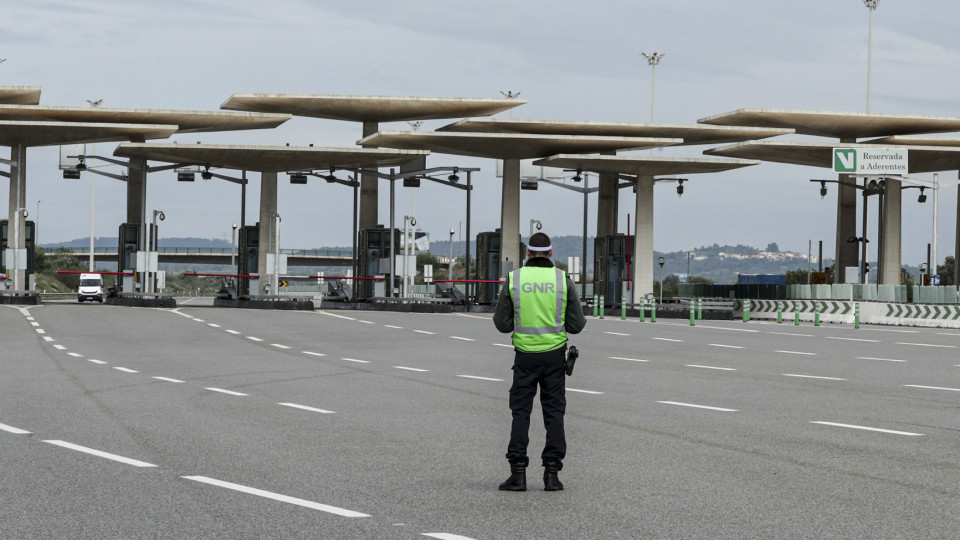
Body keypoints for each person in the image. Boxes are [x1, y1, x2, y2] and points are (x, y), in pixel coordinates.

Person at [493, 231, 586, 491]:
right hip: (555, 357)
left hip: (525, 357)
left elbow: (501, 324)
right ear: (551, 253)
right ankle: (552, 475)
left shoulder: (514, 279)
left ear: (527, 253)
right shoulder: (562, 279)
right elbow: (577, 325)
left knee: (521, 413)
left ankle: (518, 474)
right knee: (554, 413)